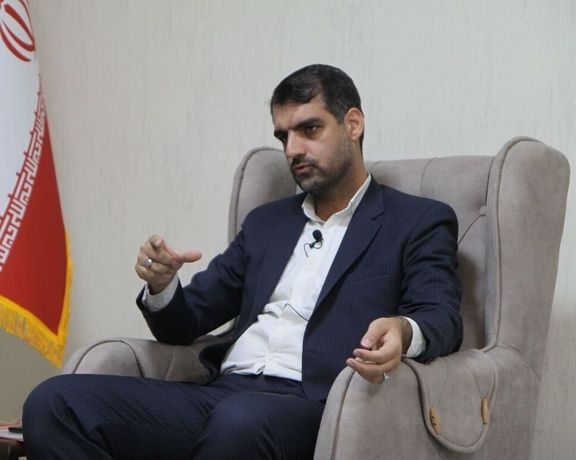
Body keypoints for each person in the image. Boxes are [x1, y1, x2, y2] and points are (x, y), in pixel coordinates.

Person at [22, 64, 463, 459]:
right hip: (223, 395)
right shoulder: (266, 223)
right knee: (53, 402)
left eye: (309, 129)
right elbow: (185, 322)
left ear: (353, 124)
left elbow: (441, 317)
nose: (292, 149)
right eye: (283, 136)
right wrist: (163, 285)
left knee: (242, 420)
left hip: (316, 405)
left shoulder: (416, 220)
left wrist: (402, 330)